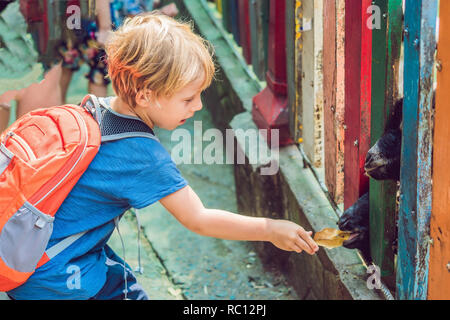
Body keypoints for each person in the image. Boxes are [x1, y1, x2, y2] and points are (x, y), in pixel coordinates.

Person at [6, 12, 319, 300]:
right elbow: (198, 219)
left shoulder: (92, 108)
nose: (197, 107)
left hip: (27, 256)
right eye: (188, 98)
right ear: (146, 96)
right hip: (58, 277)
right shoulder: (143, 155)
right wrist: (269, 229)